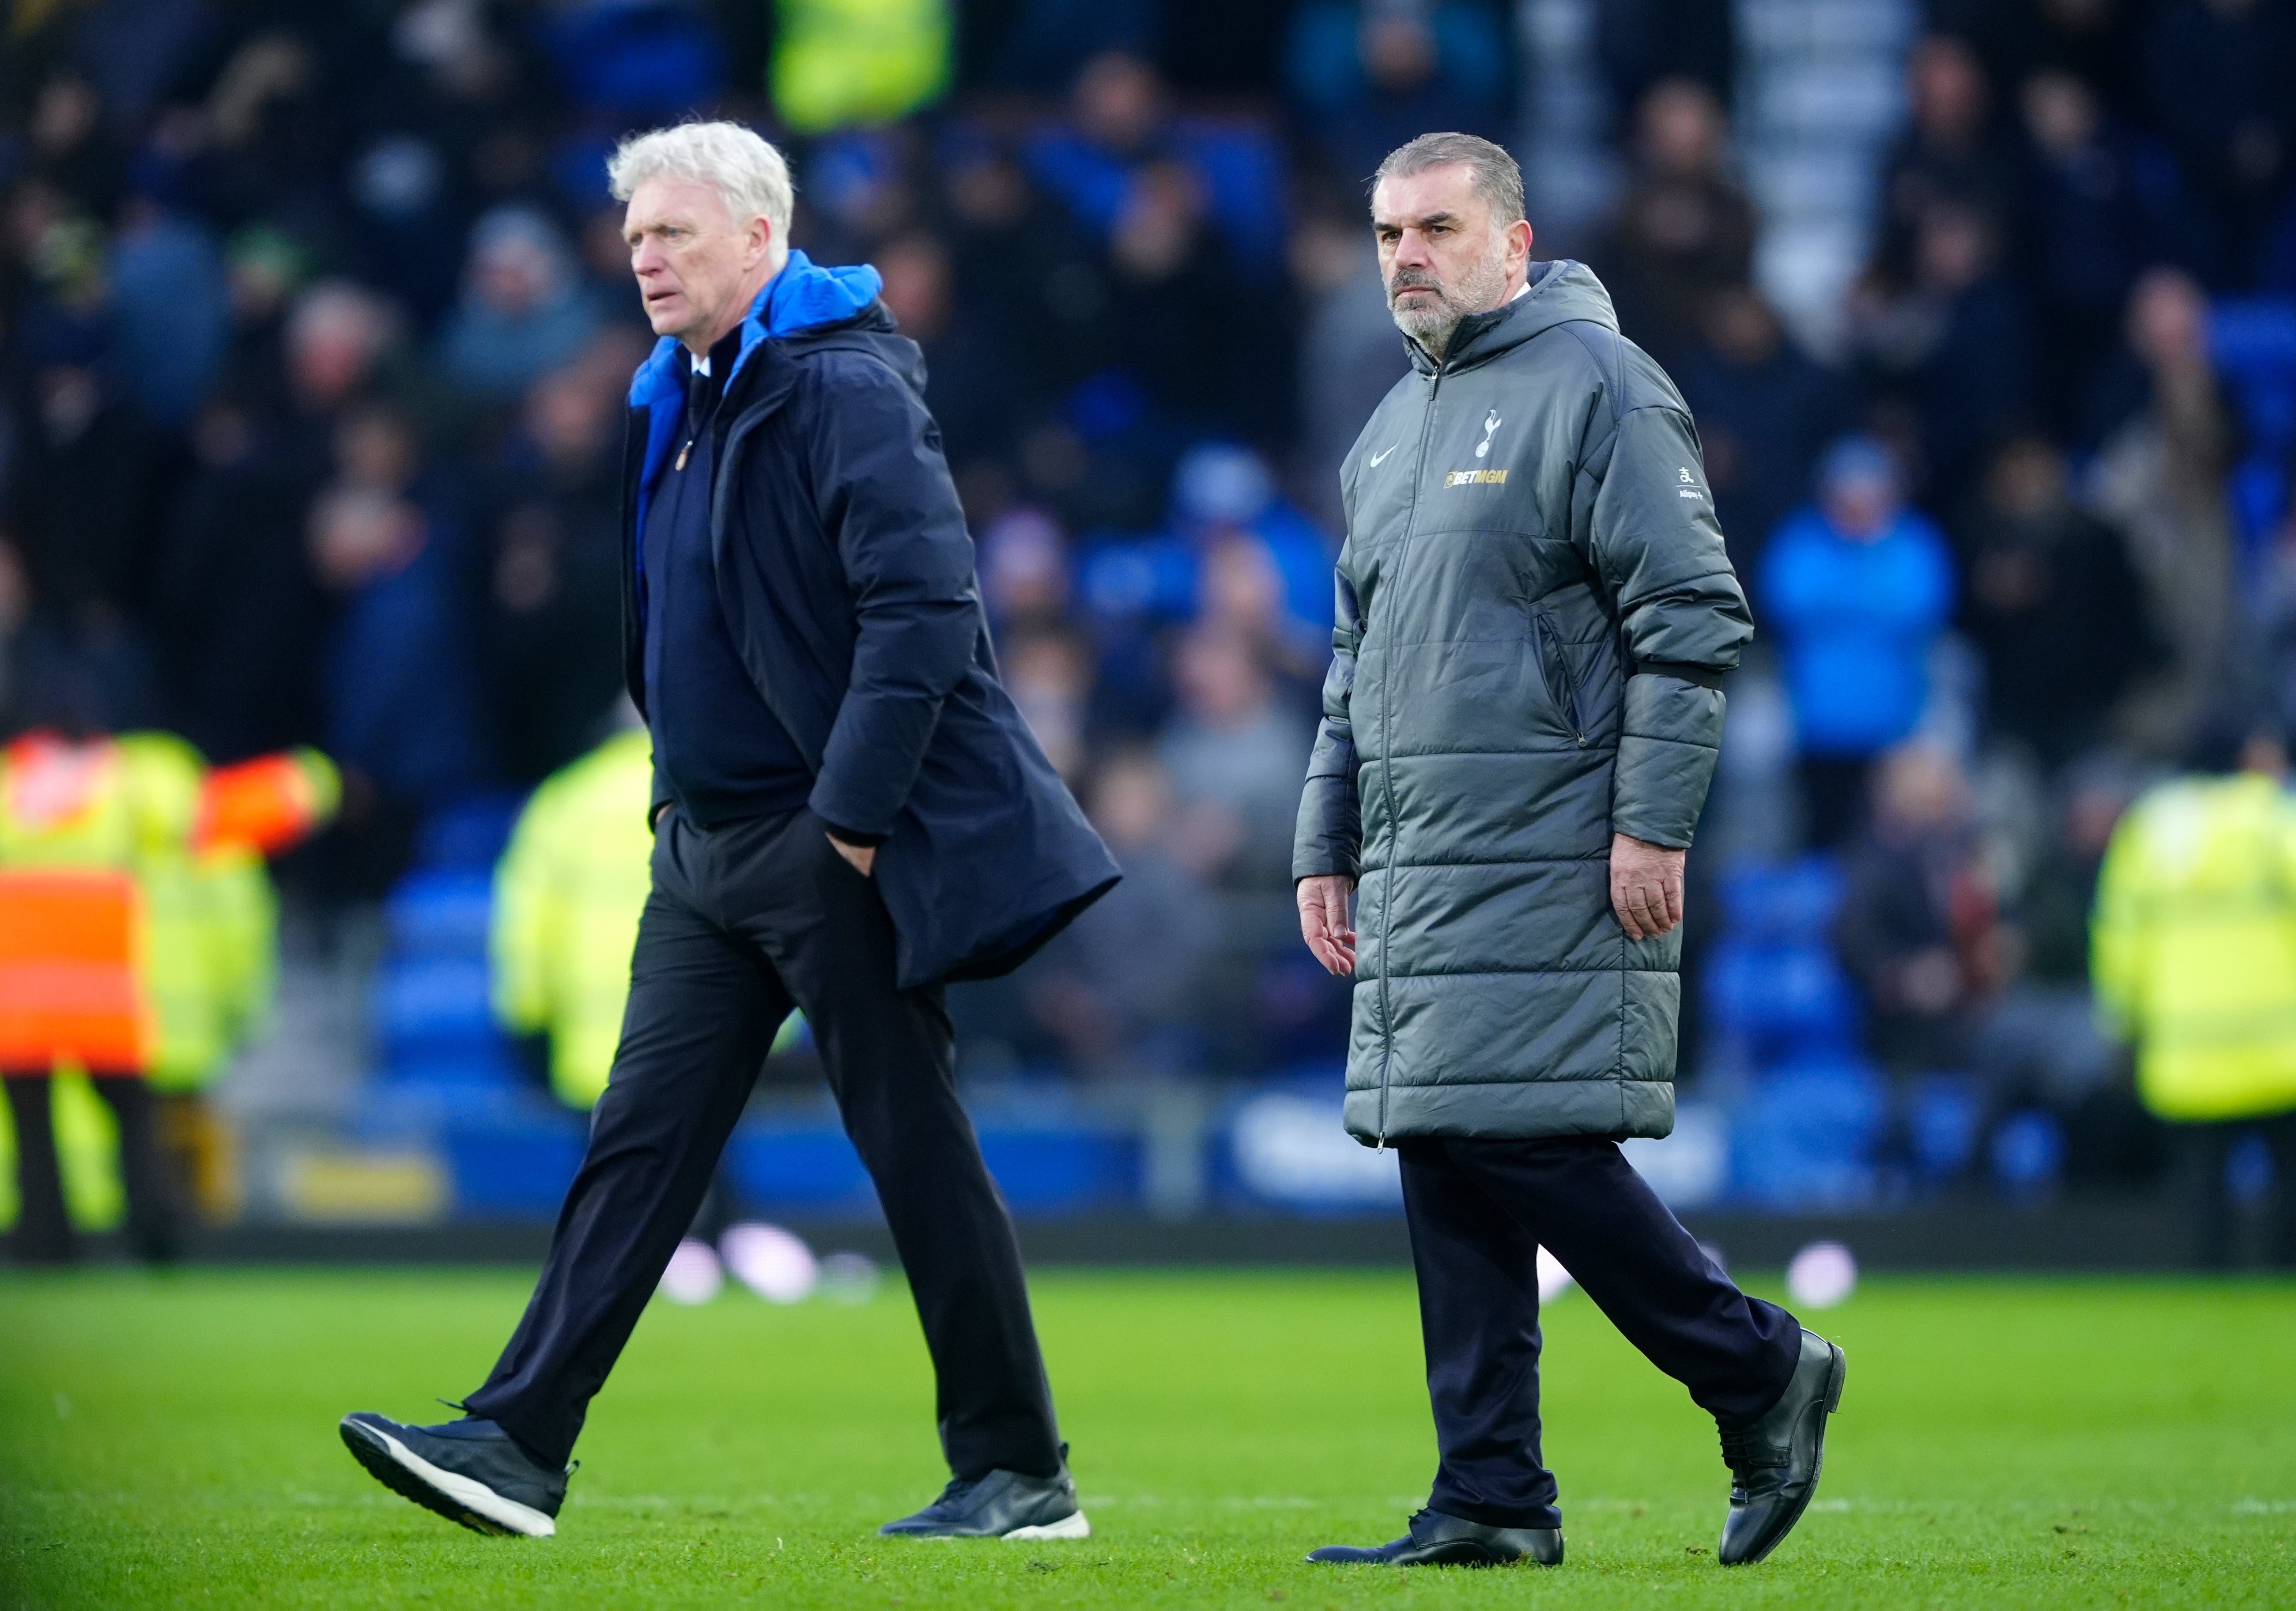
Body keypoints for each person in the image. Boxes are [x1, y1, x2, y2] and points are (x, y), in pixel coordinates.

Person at [339, 121, 1119, 1541]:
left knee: (912, 1149)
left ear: (761, 240)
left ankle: (1016, 1468)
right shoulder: (679, 391)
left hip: (819, 841)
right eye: (634, 237)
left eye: (673, 234)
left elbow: (926, 610)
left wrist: (853, 818)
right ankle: (519, 1440)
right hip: (703, 841)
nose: (643, 257)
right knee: (635, 1143)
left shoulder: (838, 386)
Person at [1292, 132, 1843, 1573]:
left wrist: (1654, 822)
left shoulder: (1601, 382)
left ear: (1517, 242)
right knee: (1443, 1135)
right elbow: (1356, 667)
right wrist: (1324, 841)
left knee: (1516, 1132)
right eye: (1387, 232)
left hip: (1552, 844)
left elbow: (1691, 614)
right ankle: (1489, 1490)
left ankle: (1757, 1364)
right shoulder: (1390, 428)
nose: (1406, 255)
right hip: (1421, 857)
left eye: (1437, 228)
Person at [2091, 726, 2296, 1267]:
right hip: (2277, 1043)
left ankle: (2206, 1288)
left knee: (2200, 1183)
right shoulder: (2273, 818)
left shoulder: (2151, 827)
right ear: (2247, 755)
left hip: (2186, 1045)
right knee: (2288, 1178)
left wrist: (2122, 1021)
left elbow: (2118, 934)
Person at [1761, 437, 1955, 848]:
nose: (1858, 510)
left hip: (1896, 727)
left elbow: (1922, 605)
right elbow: (1785, 599)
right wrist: (1871, 595)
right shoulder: (1801, 538)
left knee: (1893, 840)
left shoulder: (1915, 541)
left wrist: (1836, 603)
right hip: (1818, 727)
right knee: (1822, 838)